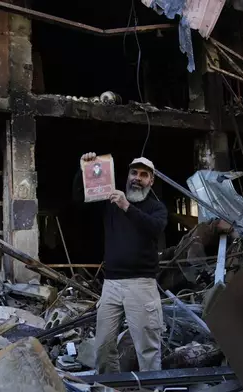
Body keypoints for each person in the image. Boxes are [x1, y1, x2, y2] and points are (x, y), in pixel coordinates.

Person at [73, 152, 168, 374]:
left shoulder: (156, 208)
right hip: (111, 285)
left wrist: (127, 207)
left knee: (147, 350)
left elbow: (153, 228)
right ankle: (109, 387)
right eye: (134, 172)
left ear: (151, 180)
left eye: (144, 175)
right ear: (127, 175)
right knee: (104, 347)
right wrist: (83, 169)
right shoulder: (110, 201)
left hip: (141, 285)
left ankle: (151, 391)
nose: (137, 178)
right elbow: (79, 200)